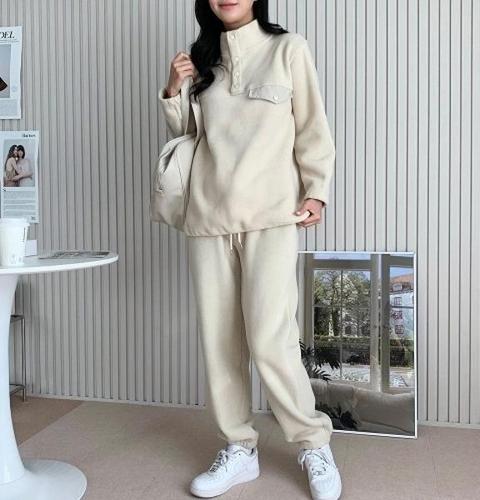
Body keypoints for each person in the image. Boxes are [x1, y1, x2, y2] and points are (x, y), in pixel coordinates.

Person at [158, 2, 341, 499]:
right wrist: (174, 91)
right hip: (209, 218)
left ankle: (312, 442)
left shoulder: (288, 49)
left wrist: (317, 190)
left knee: (271, 338)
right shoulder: (202, 61)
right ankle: (239, 446)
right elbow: (189, 140)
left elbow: (312, 127)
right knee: (220, 342)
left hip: (272, 216)